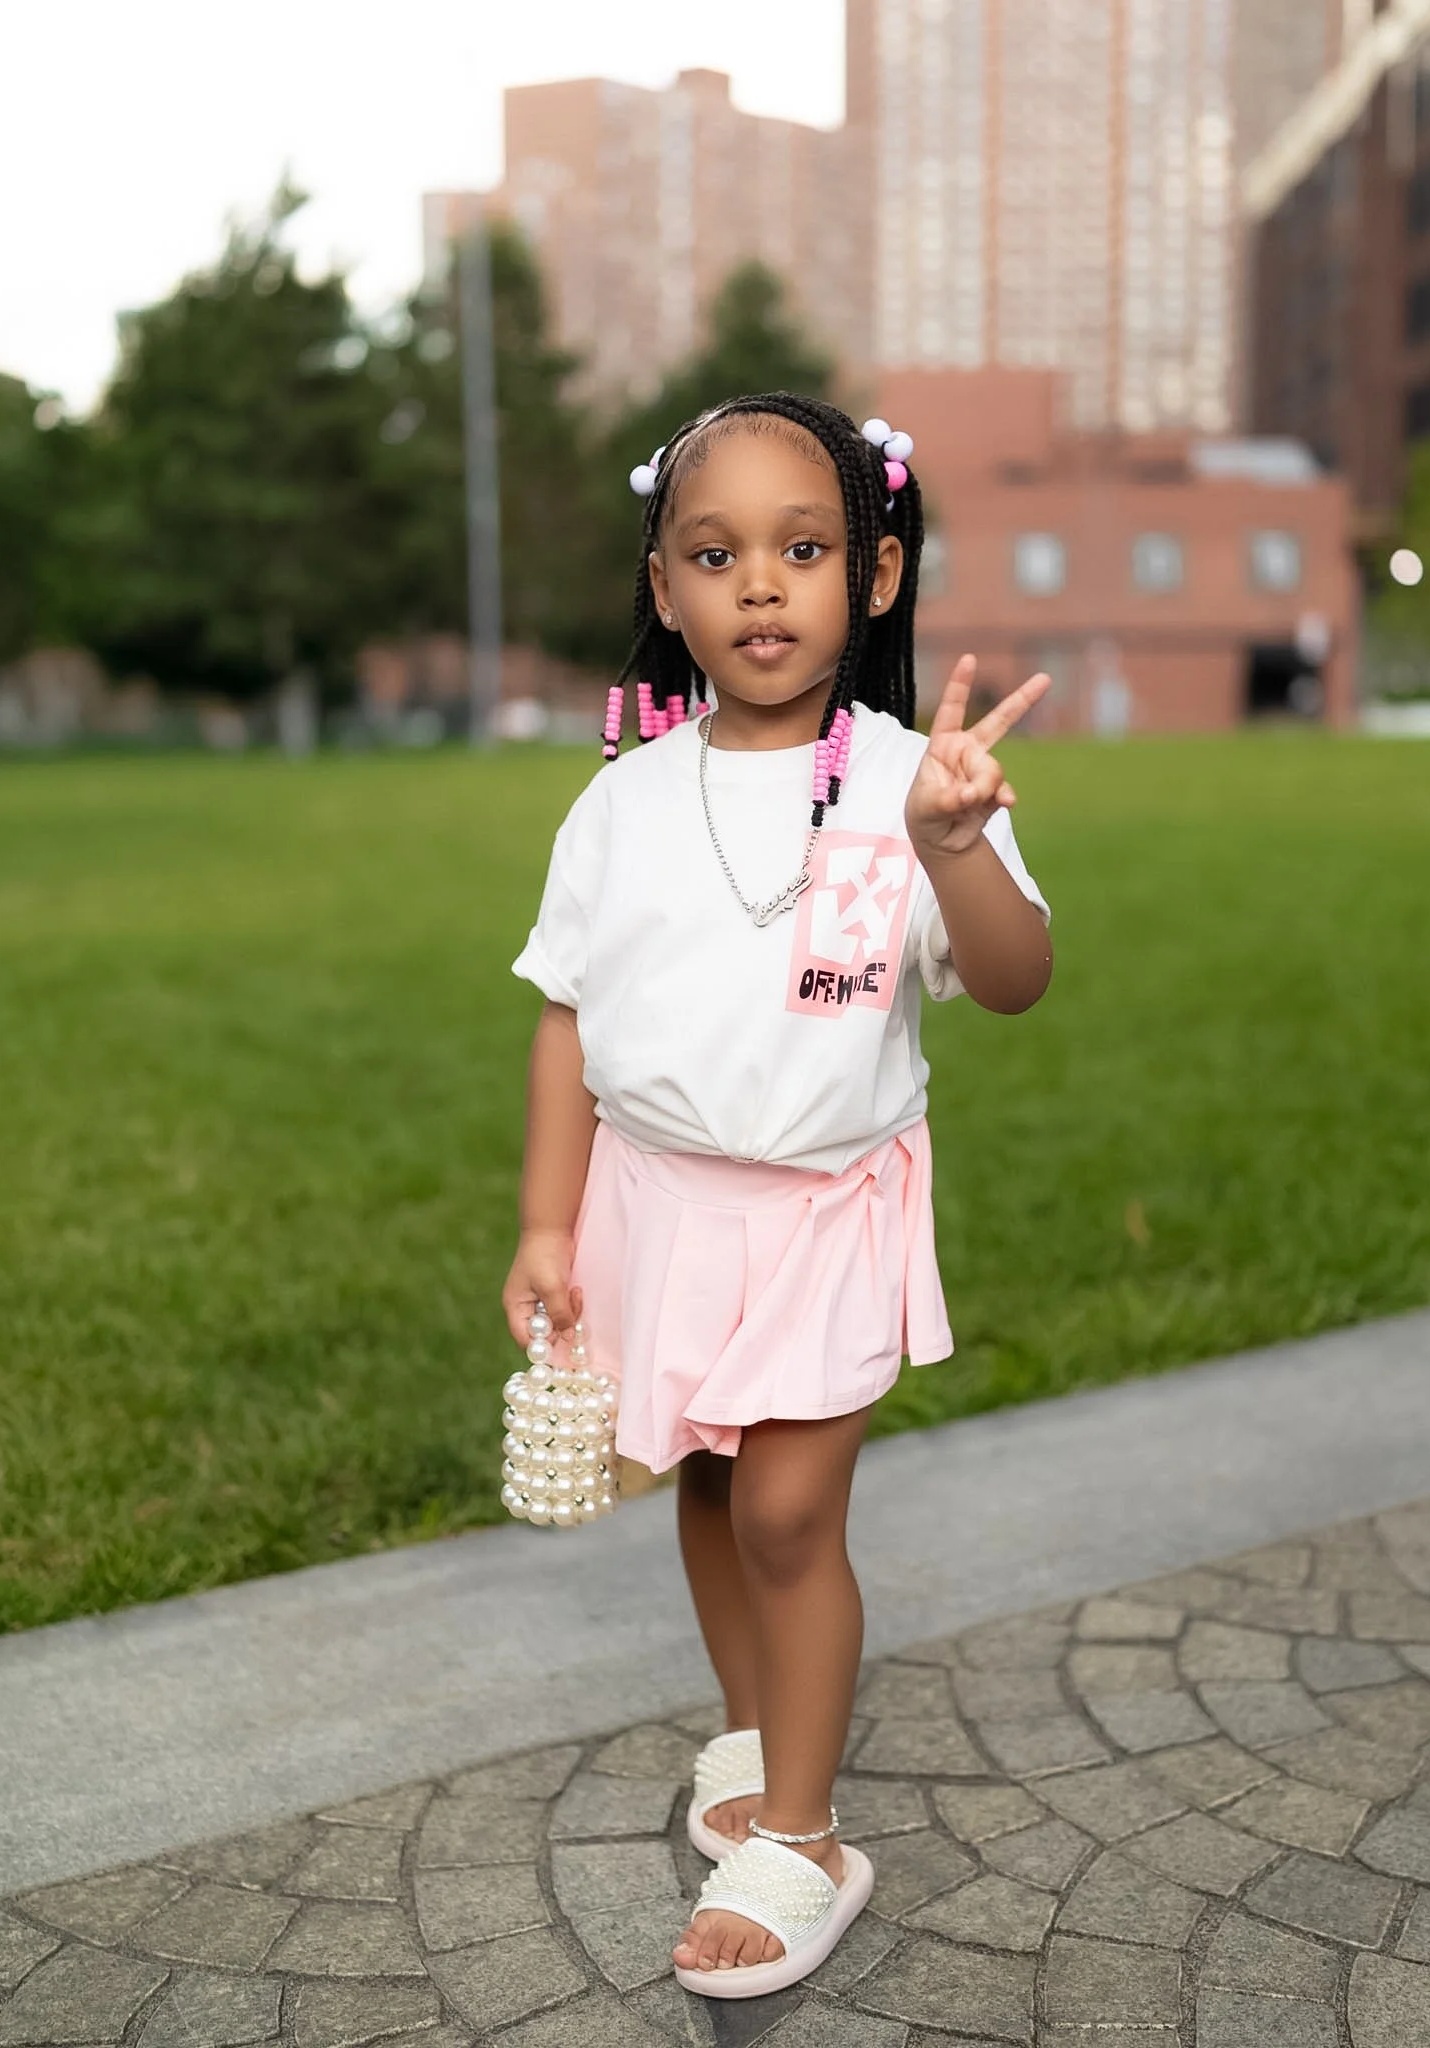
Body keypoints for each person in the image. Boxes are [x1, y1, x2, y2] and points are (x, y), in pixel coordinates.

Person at [505, 392, 1053, 2000]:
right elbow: (565, 1019)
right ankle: (751, 1733)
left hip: (823, 1211)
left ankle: (801, 1838)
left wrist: (954, 848)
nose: (759, 584)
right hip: (656, 1206)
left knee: (788, 1510)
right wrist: (546, 1220)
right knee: (702, 1480)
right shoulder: (619, 800)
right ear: (663, 588)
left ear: (872, 575)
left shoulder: (911, 781)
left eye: (801, 550)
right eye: (715, 554)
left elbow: (1014, 980)